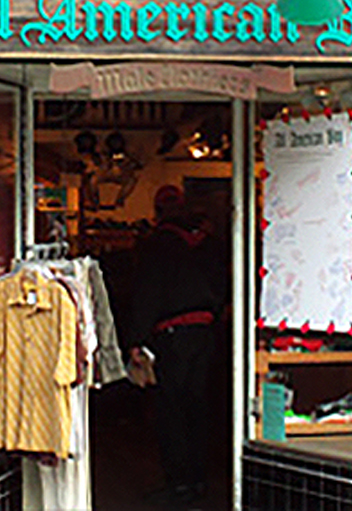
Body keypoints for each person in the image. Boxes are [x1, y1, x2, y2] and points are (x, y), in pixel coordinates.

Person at [122, 184, 227, 509]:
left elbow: (148, 294)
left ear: (157, 211)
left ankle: (179, 483)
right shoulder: (209, 244)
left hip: (172, 335)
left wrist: (136, 339)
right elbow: (224, 283)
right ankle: (198, 479)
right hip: (206, 333)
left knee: (172, 410)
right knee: (198, 407)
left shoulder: (158, 246)